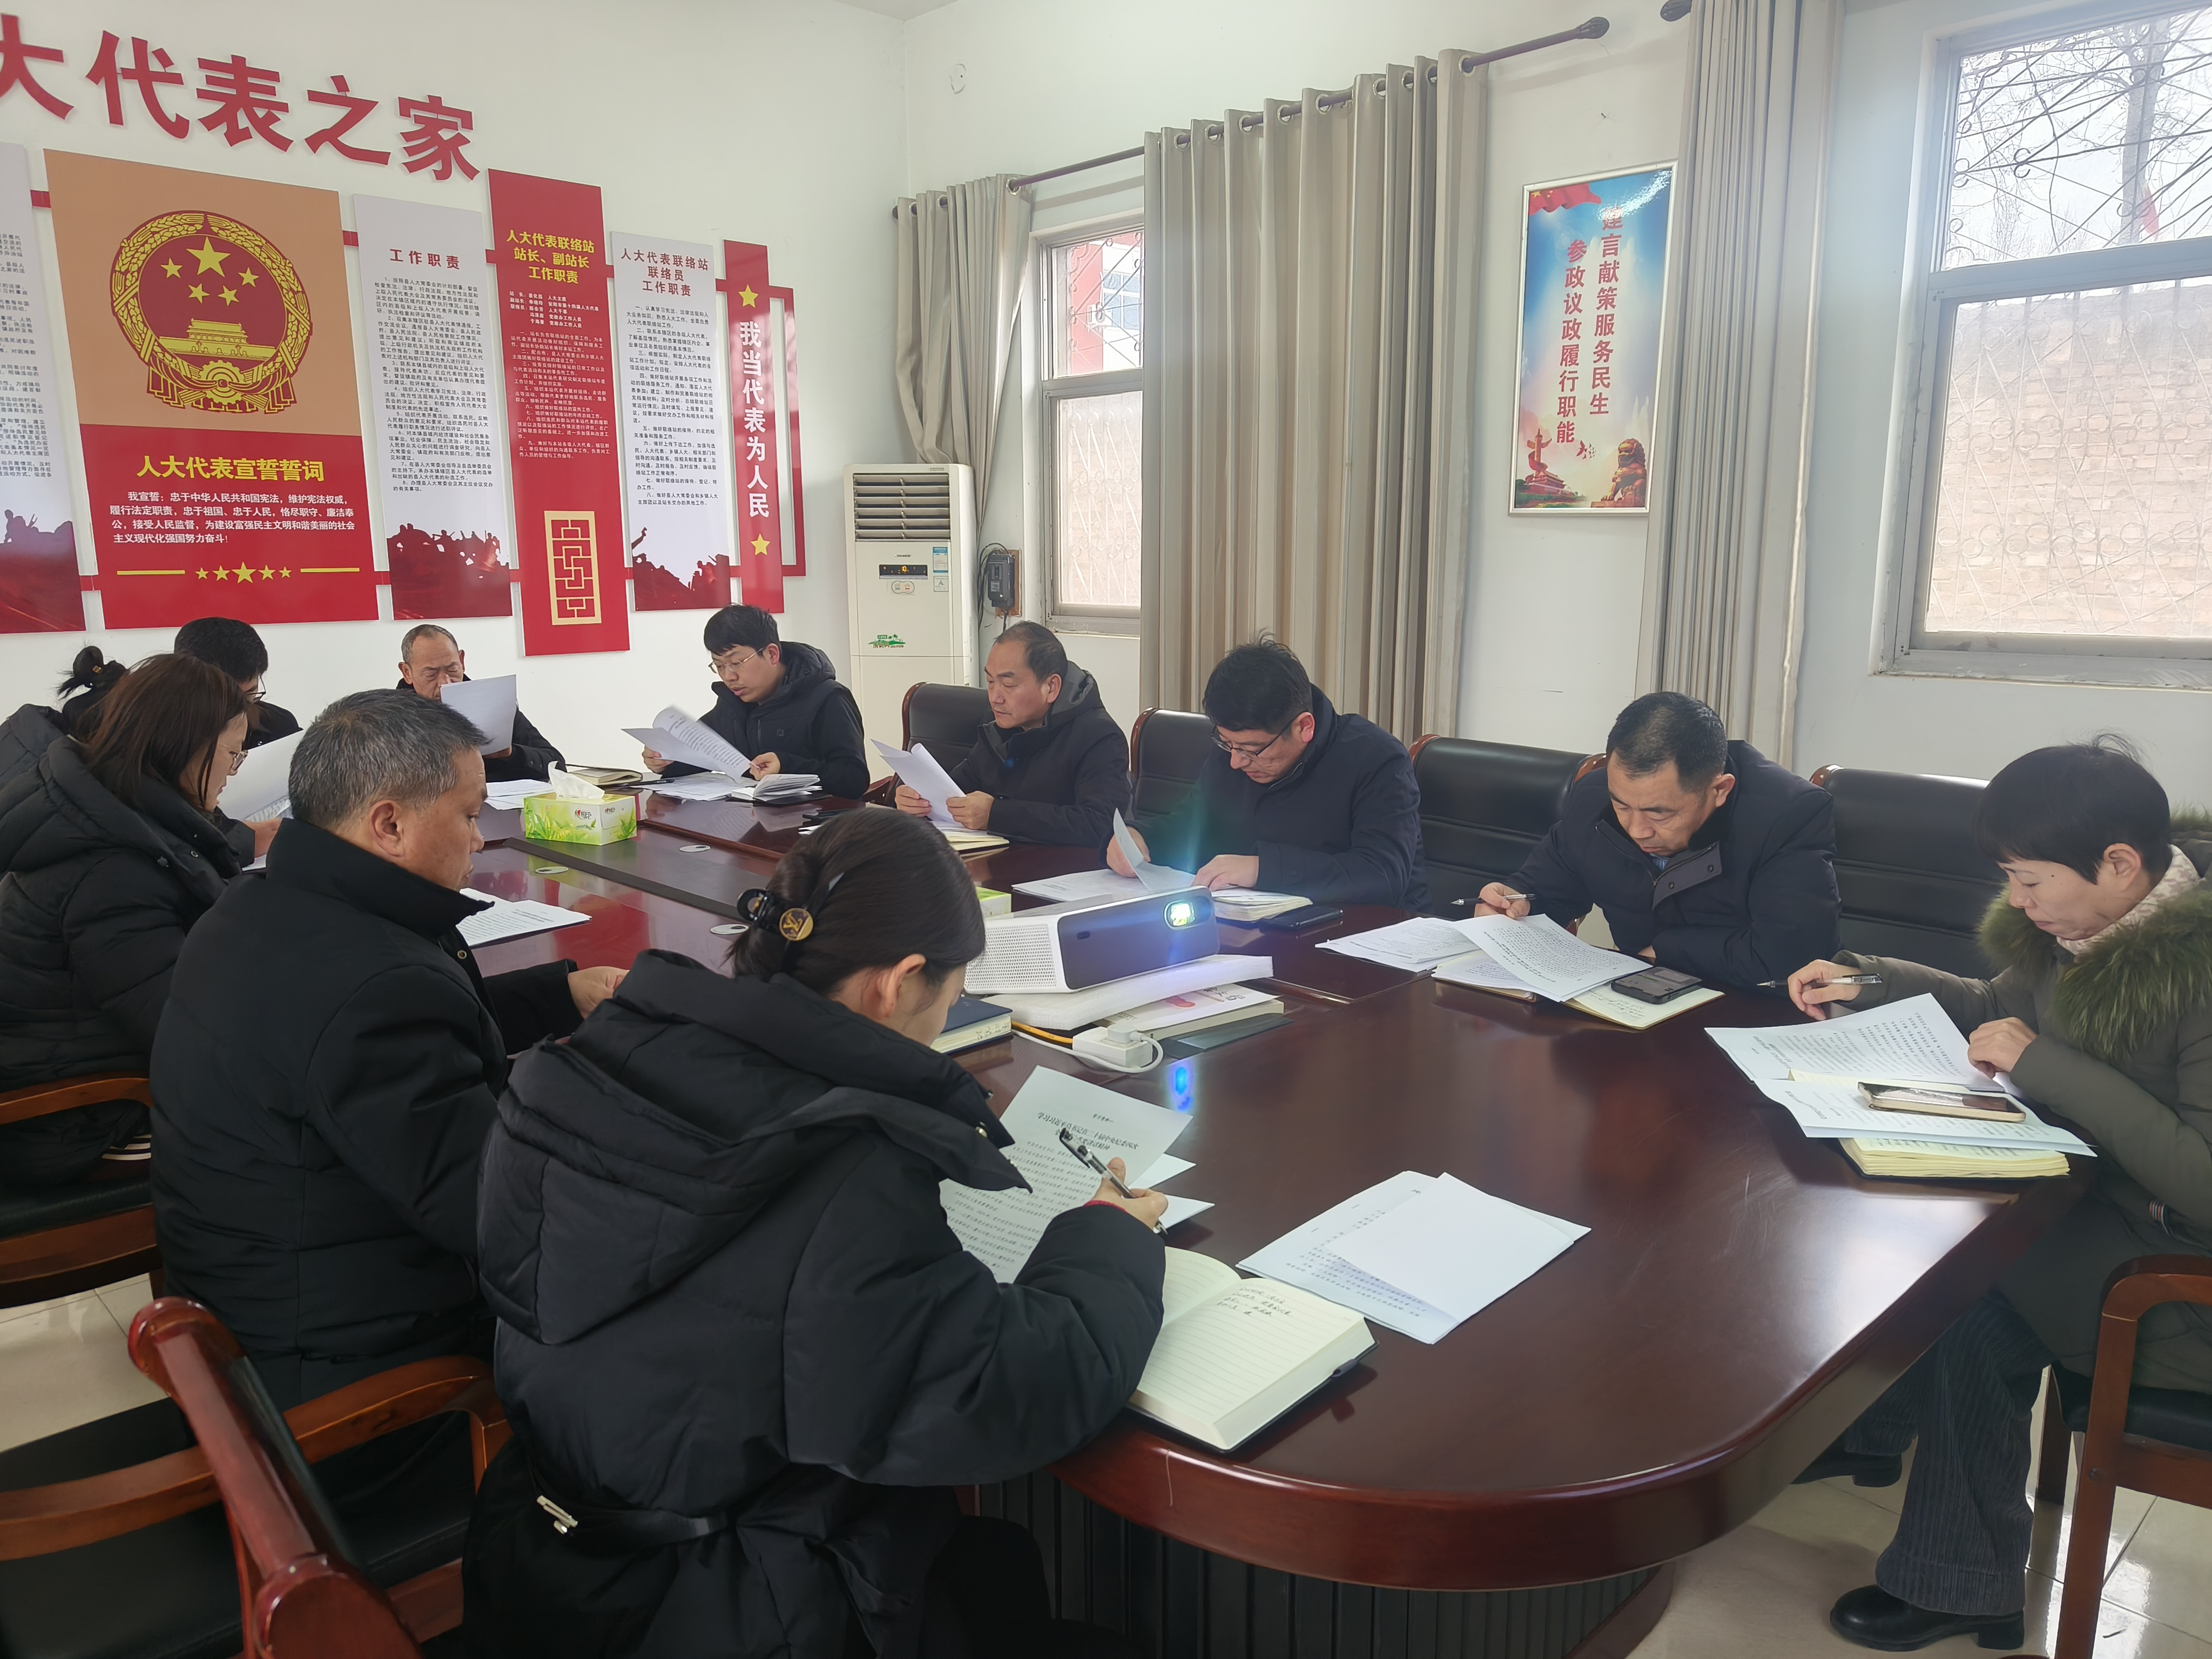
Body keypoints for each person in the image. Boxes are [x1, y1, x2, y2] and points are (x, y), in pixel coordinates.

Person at [463, 809, 1164, 1658]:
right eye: (952, 996)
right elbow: (1008, 1388)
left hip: (543, 1566)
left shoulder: (584, 1063)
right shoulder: (842, 1173)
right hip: (734, 1606)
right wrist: (1108, 1237)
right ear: (898, 982)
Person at [1788, 740, 2212, 1653]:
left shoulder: (2202, 972)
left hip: (2182, 1282)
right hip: (2110, 1219)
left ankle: (1941, 1548)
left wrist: (2046, 1066)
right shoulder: (2089, 926)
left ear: (2120, 863)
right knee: (1926, 1239)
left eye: (2030, 881)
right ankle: (1902, 1480)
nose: (2018, 902)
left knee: (1956, 1283)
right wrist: (1874, 981)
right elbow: (1997, 1007)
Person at [149, 690, 624, 1409]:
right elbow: (496, 1209)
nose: (478, 840)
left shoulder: (256, 908)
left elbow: (396, 1039)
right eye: (469, 816)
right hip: (354, 1384)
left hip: (257, 1303)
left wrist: (560, 994)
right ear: (390, 824)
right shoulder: (378, 988)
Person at [0, 656, 247, 1186]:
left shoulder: (108, 806)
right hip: (75, 1118)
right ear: (188, 748)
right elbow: (182, 1026)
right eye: (233, 754)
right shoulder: (112, 868)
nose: (233, 771)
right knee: (296, 1144)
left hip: (90, 1068)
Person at [1474, 691, 1838, 992]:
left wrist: (1663, 949)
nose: (1637, 829)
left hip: (1745, 1013)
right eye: (1622, 805)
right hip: (1634, 1005)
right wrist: (1512, 902)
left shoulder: (1787, 815)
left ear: (1720, 790)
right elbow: (1547, 889)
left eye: (1659, 813)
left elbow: (1791, 957)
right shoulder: (1594, 799)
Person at [1109, 638, 1427, 908]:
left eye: (1252, 750)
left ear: (1304, 727)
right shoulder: (1235, 751)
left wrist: (1262, 869)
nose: (1237, 762)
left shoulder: (1377, 759)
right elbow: (1192, 824)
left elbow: (1382, 876)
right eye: (1228, 744)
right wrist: (1138, 838)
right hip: (1257, 926)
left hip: (1369, 938)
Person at [894, 622, 1130, 846]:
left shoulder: (1099, 736)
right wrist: (921, 801)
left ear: (1051, 687)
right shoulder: (997, 725)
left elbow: (1100, 825)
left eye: (1008, 685)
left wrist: (997, 815)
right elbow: (958, 789)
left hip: (1061, 869)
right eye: (990, 682)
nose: (995, 697)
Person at [640, 603, 868, 800]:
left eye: (736, 663)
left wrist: (786, 766)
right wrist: (668, 761)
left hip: (815, 826)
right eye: (719, 666)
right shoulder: (732, 704)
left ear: (772, 654)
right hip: (748, 821)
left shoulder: (828, 698)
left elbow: (854, 779)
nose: (729, 676)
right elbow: (707, 756)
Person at [395, 623, 565, 784]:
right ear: (407, 672)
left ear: (462, 661)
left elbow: (557, 765)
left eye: (452, 669)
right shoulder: (391, 718)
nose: (445, 682)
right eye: (430, 674)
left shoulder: (492, 703)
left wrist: (511, 754)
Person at [173, 616, 301, 750]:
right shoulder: (161, 736)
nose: (239, 709)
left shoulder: (279, 728)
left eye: (250, 693)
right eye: (228, 698)